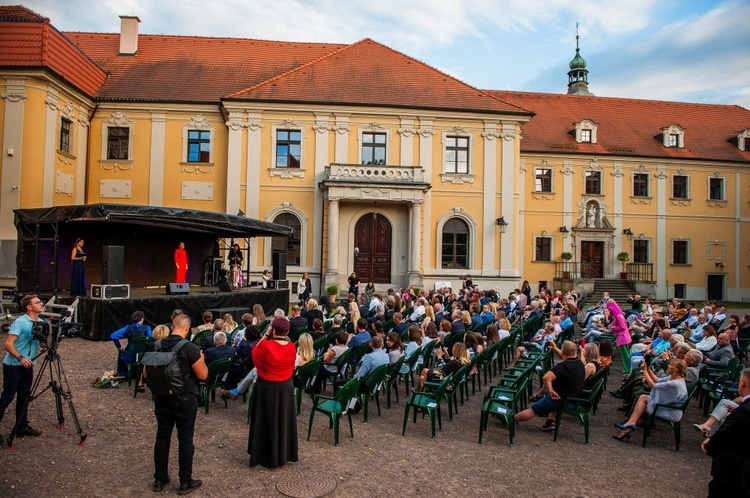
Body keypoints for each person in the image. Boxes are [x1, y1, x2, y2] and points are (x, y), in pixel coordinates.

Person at [149, 313, 207, 494]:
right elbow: (203, 375)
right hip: (184, 398)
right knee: (185, 439)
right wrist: (202, 359)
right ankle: (185, 481)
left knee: (162, 437)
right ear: (187, 328)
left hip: (162, 397)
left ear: (172, 327)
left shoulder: (156, 345)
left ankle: (159, 479)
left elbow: (145, 373)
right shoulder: (190, 348)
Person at [247, 317, 298, 468]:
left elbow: (255, 352)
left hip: (267, 387)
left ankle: (264, 455)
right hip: (285, 388)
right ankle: (282, 455)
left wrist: (266, 334)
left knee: (265, 421)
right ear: (287, 331)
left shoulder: (266, 346)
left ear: (273, 330)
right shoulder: (291, 347)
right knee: (283, 421)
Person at [513, 341, 585, 432]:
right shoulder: (580, 363)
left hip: (562, 399)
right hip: (575, 398)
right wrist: (555, 349)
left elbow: (546, 377)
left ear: (563, 352)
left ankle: (512, 419)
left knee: (533, 409)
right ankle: (550, 422)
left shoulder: (563, 366)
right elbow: (567, 355)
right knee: (548, 392)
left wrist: (551, 391)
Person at [0, 294, 44, 445]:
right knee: (7, 397)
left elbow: (43, 345)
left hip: (28, 366)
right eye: (37, 302)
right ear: (29, 307)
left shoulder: (41, 322)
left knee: (25, 397)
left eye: (41, 302)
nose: (41, 304)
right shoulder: (20, 322)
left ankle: (21, 426)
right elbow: (8, 344)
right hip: (13, 365)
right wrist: (20, 358)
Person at [701, 368, 750, 497]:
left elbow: (725, 433)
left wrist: (709, 445)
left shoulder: (744, 411)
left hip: (733, 467)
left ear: (743, 383)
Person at [613, 359, 688, 442]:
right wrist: (648, 369)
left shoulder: (675, 384)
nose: (668, 366)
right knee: (643, 397)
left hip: (671, 411)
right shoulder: (673, 377)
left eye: (670, 365)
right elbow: (657, 380)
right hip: (668, 406)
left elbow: (654, 386)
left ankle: (629, 426)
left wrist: (644, 371)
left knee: (642, 407)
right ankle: (631, 423)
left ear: (676, 369)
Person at [110, 310, 153, 377]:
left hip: (131, 353)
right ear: (142, 319)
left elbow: (113, 336)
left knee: (121, 352)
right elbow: (151, 339)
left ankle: (124, 373)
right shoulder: (147, 328)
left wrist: (119, 347)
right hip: (144, 353)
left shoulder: (128, 328)